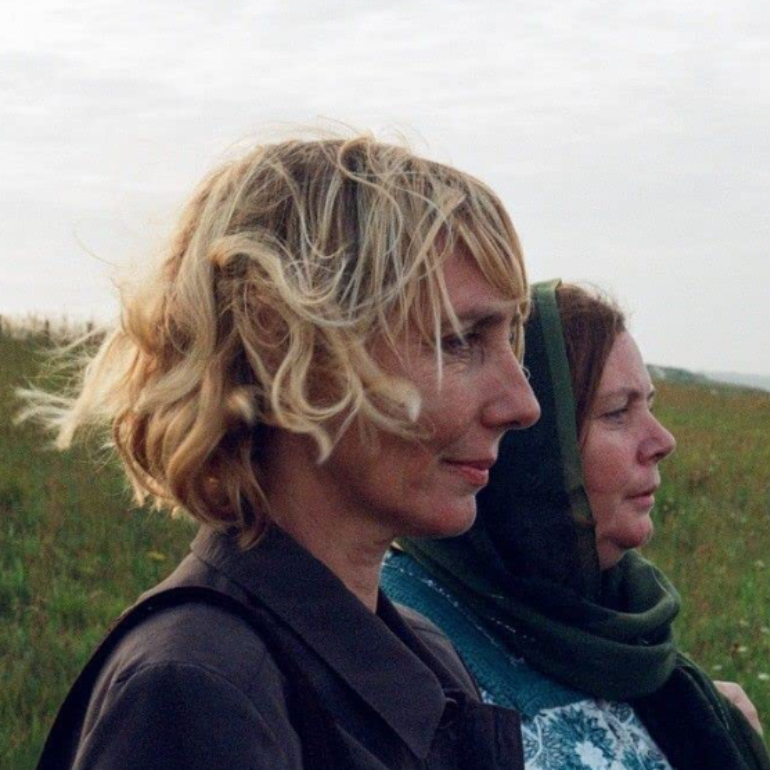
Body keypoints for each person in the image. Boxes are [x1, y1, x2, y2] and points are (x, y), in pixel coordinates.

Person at [21, 135, 542, 769]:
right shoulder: (198, 691)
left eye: (511, 340)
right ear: (287, 345)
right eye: (460, 340)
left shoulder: (422, 651)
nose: (522, 404)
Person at [383, 281, 770, 770]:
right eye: (617, 413)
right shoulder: (398, 644)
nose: (662, 440)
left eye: (649, 404)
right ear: (533, 454)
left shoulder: (623, 629)